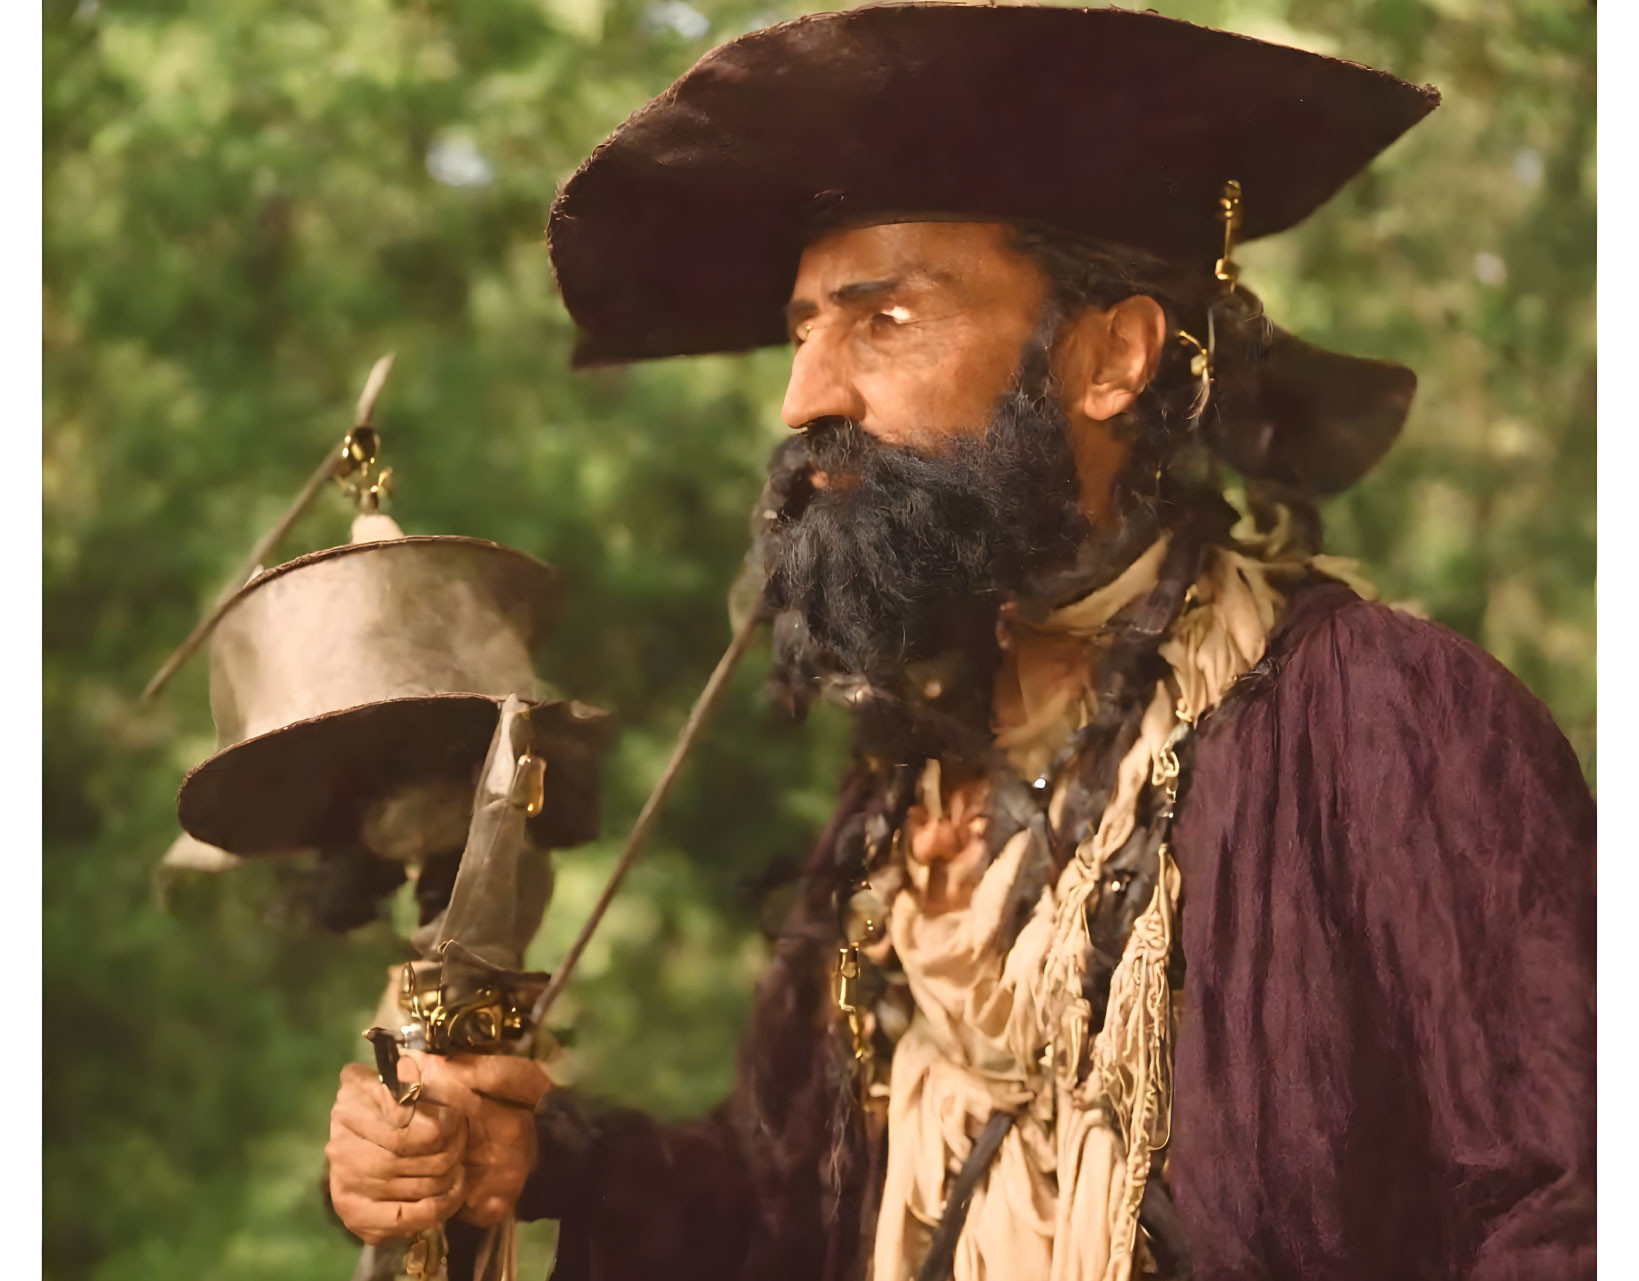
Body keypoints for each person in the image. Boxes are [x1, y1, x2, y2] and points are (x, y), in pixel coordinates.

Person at [326, 7, 1595, 1278]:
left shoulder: (1389, 723)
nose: (803, 398)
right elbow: (792, 1211)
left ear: (1111, 357)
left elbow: (1575, 1207)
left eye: (882, 321)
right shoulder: (908, 786)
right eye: (802, 328)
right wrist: (539, 1161)